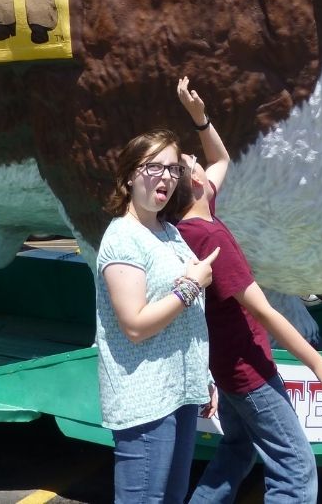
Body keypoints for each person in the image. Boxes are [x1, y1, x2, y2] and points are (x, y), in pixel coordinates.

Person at [175, 76, 322, 504]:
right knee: (294, 467)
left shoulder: (189, 223)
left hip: (226, 367)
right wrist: (318, 365)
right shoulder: (212, 239)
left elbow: (221, 159)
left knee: (237, 450)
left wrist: (200, 119)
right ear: (196, 183)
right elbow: (267, 313)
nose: (202, 161)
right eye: (191, 162)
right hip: (249, 372)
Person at [95, 128, 221, 504]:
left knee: (171, 497)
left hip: (178, 392)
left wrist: (204, 376)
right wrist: (192, 286)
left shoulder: (167, 232)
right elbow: (134, 325)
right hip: (145, 399)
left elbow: (184, 318)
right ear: (130, 175)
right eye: (154, 167)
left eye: (172, 169)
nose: (165, 176)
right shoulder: (123, 239)